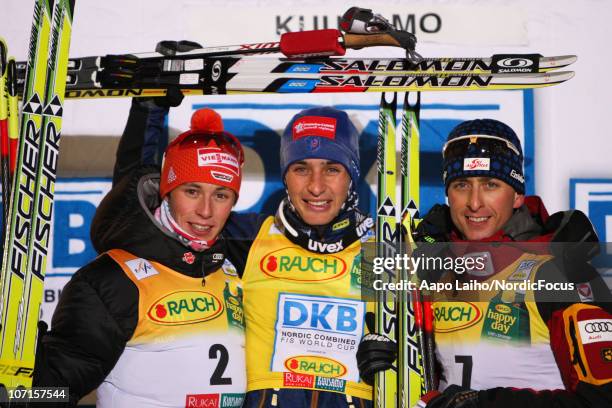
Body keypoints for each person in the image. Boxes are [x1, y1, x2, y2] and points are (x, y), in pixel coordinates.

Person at [113, 101, 376, 407]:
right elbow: (137, 213)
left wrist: (394, 358)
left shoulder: (386, 245)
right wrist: (150, 106)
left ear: (351, 176)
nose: (316, 187)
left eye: (332, 169)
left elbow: (431, 345)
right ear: (285, 177)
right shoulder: (249, 238)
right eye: (301, 169)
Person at [357, 119, 612, 407]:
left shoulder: (558, 271)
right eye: (462, 184)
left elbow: (601, 398)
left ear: (517, 195)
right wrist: (382, 360)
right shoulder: (432, 266)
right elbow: (429, 381)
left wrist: (485, 403)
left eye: (491, 184)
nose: (474, 203)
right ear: (447, 194)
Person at [33, 105, 248, 407]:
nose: (206, 210)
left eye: (221, 195)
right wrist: (23, 374)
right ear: (167, 191)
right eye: (191, 191)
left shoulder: (232, 267)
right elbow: (50, 391)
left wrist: (152, 102)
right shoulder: (115, 280)